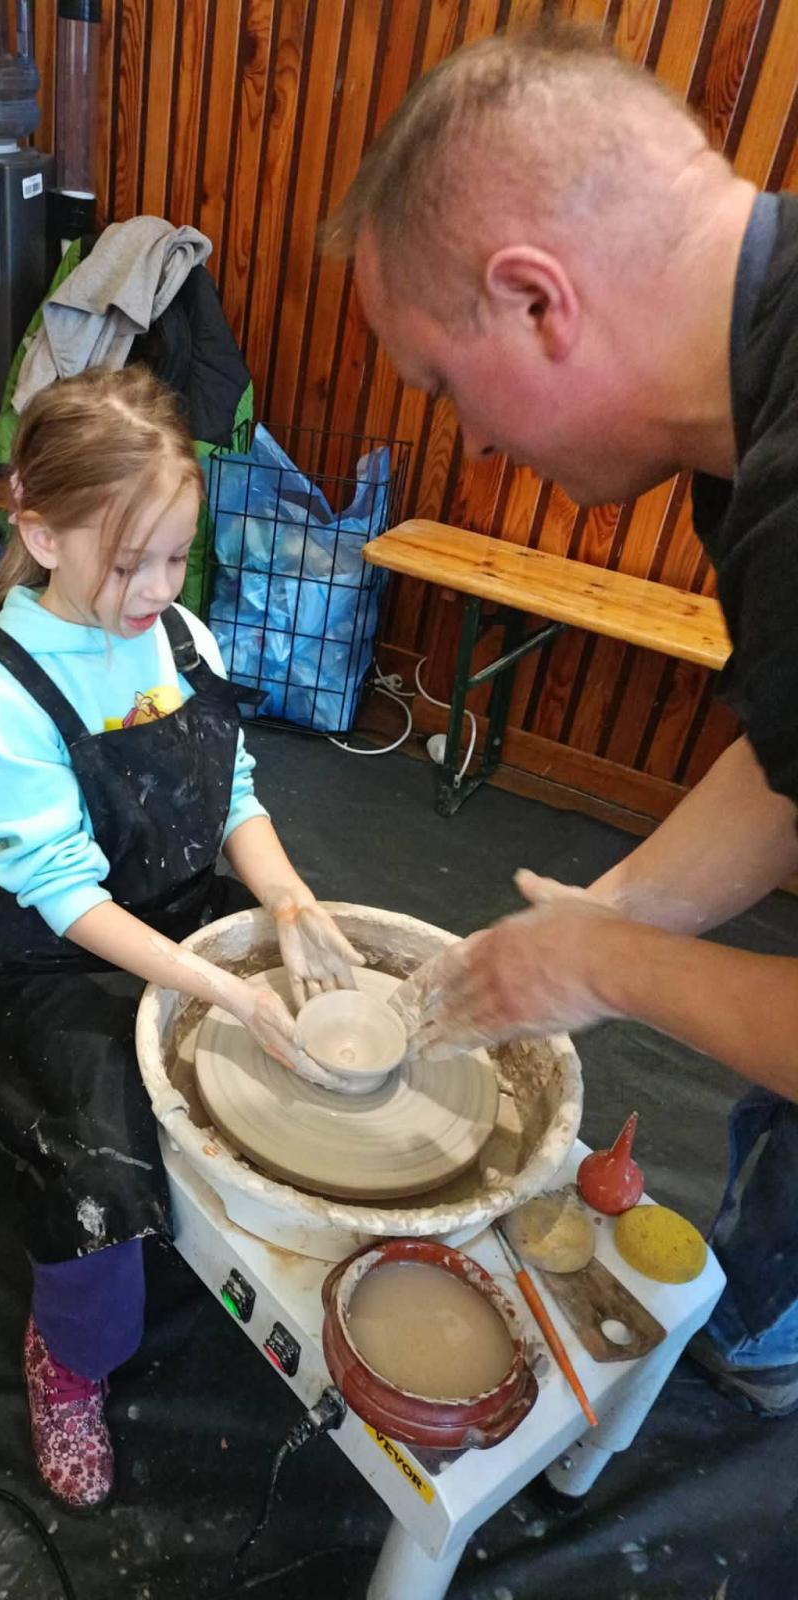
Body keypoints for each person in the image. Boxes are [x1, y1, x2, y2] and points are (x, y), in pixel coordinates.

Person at [332, 20, 798, 1415]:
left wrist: (613, 968)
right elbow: (789, 766)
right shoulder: (749, 392)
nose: (473, 442)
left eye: (444, 386)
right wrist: (612, 913)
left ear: (538, 301)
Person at [0, 366, 362, 1509]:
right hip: (62, 954)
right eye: (130, 562)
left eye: (177, 557)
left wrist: (288, 901)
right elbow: (65, 895)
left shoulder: (182, 637)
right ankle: (70, 1359)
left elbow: (233, 792)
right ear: (40, 531)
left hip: (180, 906)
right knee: (101, 1169)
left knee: (315, 1022)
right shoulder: (6, 703)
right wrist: (218, 991)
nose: (159, 588)